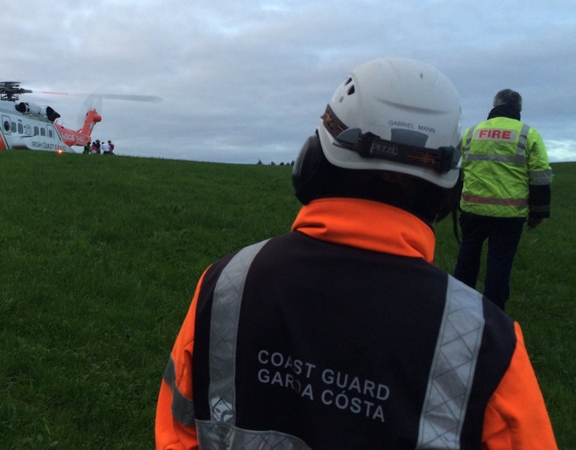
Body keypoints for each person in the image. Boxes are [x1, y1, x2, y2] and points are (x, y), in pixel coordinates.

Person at [155, 58, 557, 449]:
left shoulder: (225, 283)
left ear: (312, 160)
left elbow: (179, 431)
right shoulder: (488, 341)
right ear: (447, 192)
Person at [453, 89, 552, 311]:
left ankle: (458, 308)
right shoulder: (528, 134)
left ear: (494, 105)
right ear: (519, 109)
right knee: (499, 266)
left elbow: (459, 170)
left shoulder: (471, 132)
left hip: (472, 209)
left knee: (467, 260)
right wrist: (537, 213)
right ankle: (493, 316)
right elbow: (540, 175)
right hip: (509, 214)